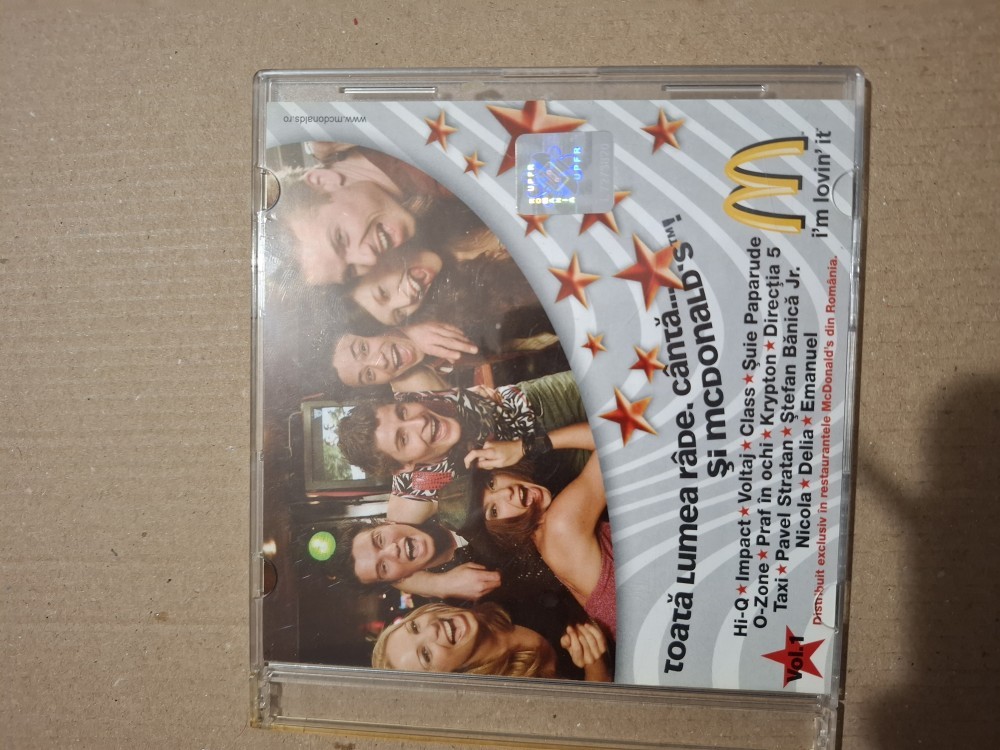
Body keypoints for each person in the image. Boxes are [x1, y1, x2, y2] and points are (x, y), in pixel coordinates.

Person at [336, 372, 590, 504]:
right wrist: (435, 582)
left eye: (402, 413)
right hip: (559, 467)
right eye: (403, 439)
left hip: (543, 401)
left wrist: (471, 397)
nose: (419, 422)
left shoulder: (412, 386)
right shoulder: (417, 487)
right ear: (403, 467)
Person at [478, 451, 616, 640]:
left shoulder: (545, 539)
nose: (506, 492)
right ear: (502, 534)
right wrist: (524, 447)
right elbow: (618, 441)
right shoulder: (560, 525)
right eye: (493, 510)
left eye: (491, 483)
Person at [371, 602, 611, 681]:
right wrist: (596, 666)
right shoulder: (517, 701)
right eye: (425, 654)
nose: (432, 629)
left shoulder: (501, 587)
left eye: (415, 627)